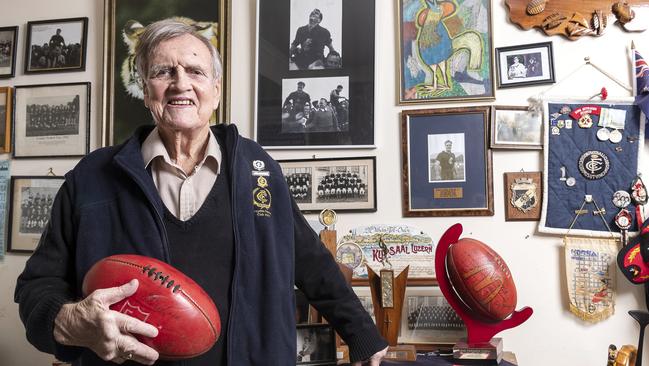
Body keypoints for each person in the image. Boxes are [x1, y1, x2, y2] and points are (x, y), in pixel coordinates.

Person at [14, 19, 387, 366]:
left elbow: (309, 259)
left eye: (195, 71)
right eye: (163, 72)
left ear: (216, 91)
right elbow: (37, 286)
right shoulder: (91, 178)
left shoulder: (257, 169)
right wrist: (69, 321)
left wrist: (361, 332)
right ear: (145, 90)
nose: (180, 84)